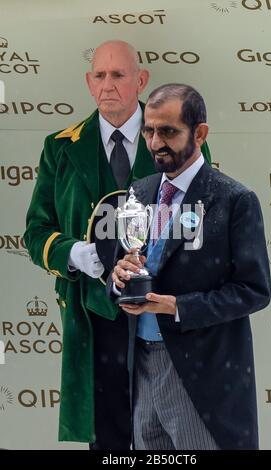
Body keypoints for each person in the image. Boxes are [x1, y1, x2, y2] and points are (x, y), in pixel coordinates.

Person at [23, 40, 213, 448]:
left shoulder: (182, 141)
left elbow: (200, 222)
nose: (108, 84)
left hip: (161, 317)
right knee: (106, 442)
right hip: (96, 315)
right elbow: (36, 231)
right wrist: (78, 254)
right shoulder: (60, 148)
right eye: (100, 75)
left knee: (170, 438)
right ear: (90, 84)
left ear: (141, 80)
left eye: (119, 75)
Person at [108, 83, 271, 450]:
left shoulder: (235, 200)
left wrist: (177, 307)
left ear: (200, 133)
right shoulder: (140, 191)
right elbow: (129, 265)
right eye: (148, 130)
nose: (154, 142)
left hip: (203, 378)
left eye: (168, 131)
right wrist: (118, 278)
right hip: (142, 370)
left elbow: (254, 290)